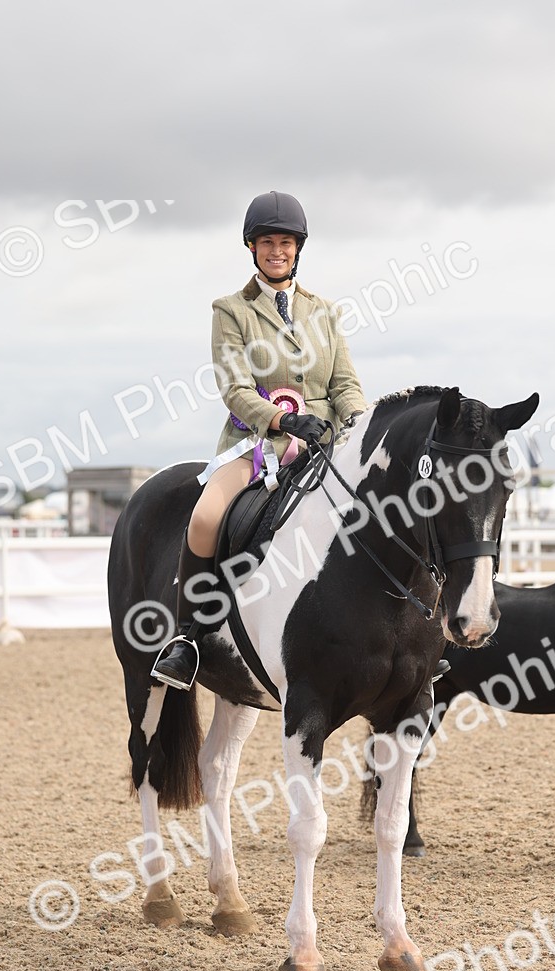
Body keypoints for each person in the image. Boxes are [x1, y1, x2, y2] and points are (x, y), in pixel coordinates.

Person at [152, 190, 368, 689]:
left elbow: (344, 385)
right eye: (268, 241)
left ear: (299, 248)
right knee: (206, 517)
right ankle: (188, 636)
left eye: (286, 242)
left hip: (327, 442)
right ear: (252, 247)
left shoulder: (325, 312)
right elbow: (233, 386)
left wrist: (357, 425)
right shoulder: (231, 310)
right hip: (255, 444)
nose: (278, 250)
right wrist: (281, 421)